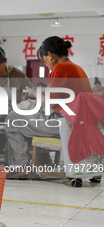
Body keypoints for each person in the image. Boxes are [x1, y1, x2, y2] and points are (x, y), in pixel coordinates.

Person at [5, 36, 92, 170]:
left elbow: (51, 103)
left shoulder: (59, 69)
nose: (44, 63)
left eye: (44, 59)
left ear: (50, 55)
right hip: (80, 122)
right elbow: (61, 96)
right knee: (26, 115)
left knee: (12, 118)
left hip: (64, 124)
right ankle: (43, 162)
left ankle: (19, 166)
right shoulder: (77, 68)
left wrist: (34, 94)